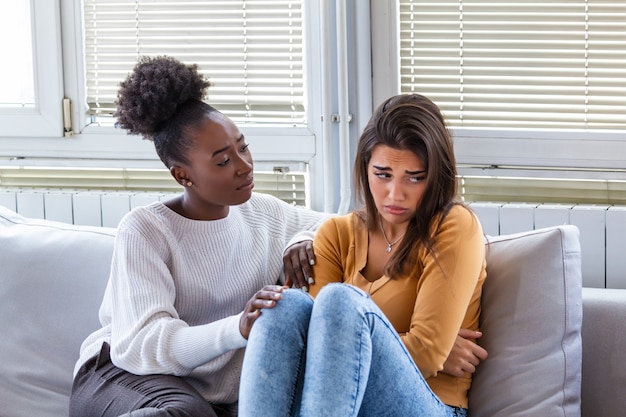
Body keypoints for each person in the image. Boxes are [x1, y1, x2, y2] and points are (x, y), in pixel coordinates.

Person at [68, 55, 329, 417]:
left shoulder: (265, 213)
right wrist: (238, 327)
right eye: (223, 161)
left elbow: (343, 224)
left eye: (243, 146)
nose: (244, 165)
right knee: (187, 413)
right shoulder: (146, 230)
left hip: (207, 396)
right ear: (183, 176)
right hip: (120, 375)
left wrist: (301, 239)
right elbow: (146, 343)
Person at [238, 93, 488, 417]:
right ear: (365, 167)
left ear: (437, 175)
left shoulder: (453, 225)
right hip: (343, 402)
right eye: (383, 174)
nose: (395, 194)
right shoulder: (336, 234)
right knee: (283, 306)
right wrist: (397, 347)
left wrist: (368, 344)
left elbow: (427, 353)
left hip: (432, 404)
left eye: (415, 177)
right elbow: (321, 348)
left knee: (340, 303)